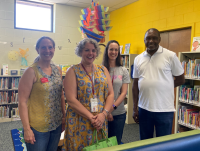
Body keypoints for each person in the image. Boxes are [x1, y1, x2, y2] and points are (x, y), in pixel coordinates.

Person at [132, 28, 185, 140]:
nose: (151, 41)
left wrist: (165, 85)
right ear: (144, 40)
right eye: (148, 38)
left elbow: (181, 79)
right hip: (144, 108)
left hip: (164, 109)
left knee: (163, 143)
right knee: (145, 142)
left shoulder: (170, 56)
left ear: (159, 39)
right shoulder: (138, 59)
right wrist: (134, 108)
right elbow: (135, 84)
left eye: (154, 38)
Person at [62, 38, 114, 151]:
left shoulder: (103, 69)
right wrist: (92, 117)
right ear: (80, 52)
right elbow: (71, 99)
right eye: (87, 50)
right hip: (80, 120)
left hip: (100, 119)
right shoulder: (73, 71)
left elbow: (110, 94)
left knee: (99, 147)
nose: (91, 53)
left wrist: (103, 114)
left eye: (93, 50)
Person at [18, 36, 65, 151]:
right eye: (43, 47)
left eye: (50, 47)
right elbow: (22, 101)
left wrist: (64, 117)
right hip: (37, 128)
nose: (47, 50)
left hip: (56, 125)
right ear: (37, 49)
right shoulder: (31, 71)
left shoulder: (57, 69)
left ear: (54, 49)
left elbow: (61, 95)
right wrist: (27, 129)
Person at [102, 40, 130, 144]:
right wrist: (106, 111)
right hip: (102, 113)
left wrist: (111, 109)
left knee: (116, 142)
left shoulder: (123, 70)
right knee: (103, 143)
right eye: (111, 49)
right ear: (107, 51)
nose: (113, 52)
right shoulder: (100, 69)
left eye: (116, 50)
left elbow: (123, 93)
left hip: (118, 113)